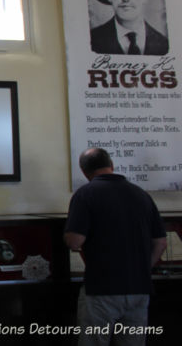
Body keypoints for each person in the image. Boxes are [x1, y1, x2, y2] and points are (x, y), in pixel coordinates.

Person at [65, 148, 167, 346]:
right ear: (112, 166)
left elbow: (75, 241)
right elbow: (161, 242)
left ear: (84, 171)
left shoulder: (85, 194)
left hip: (102, 289)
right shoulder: (141, 195)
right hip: (139, 288)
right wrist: (143, 268)